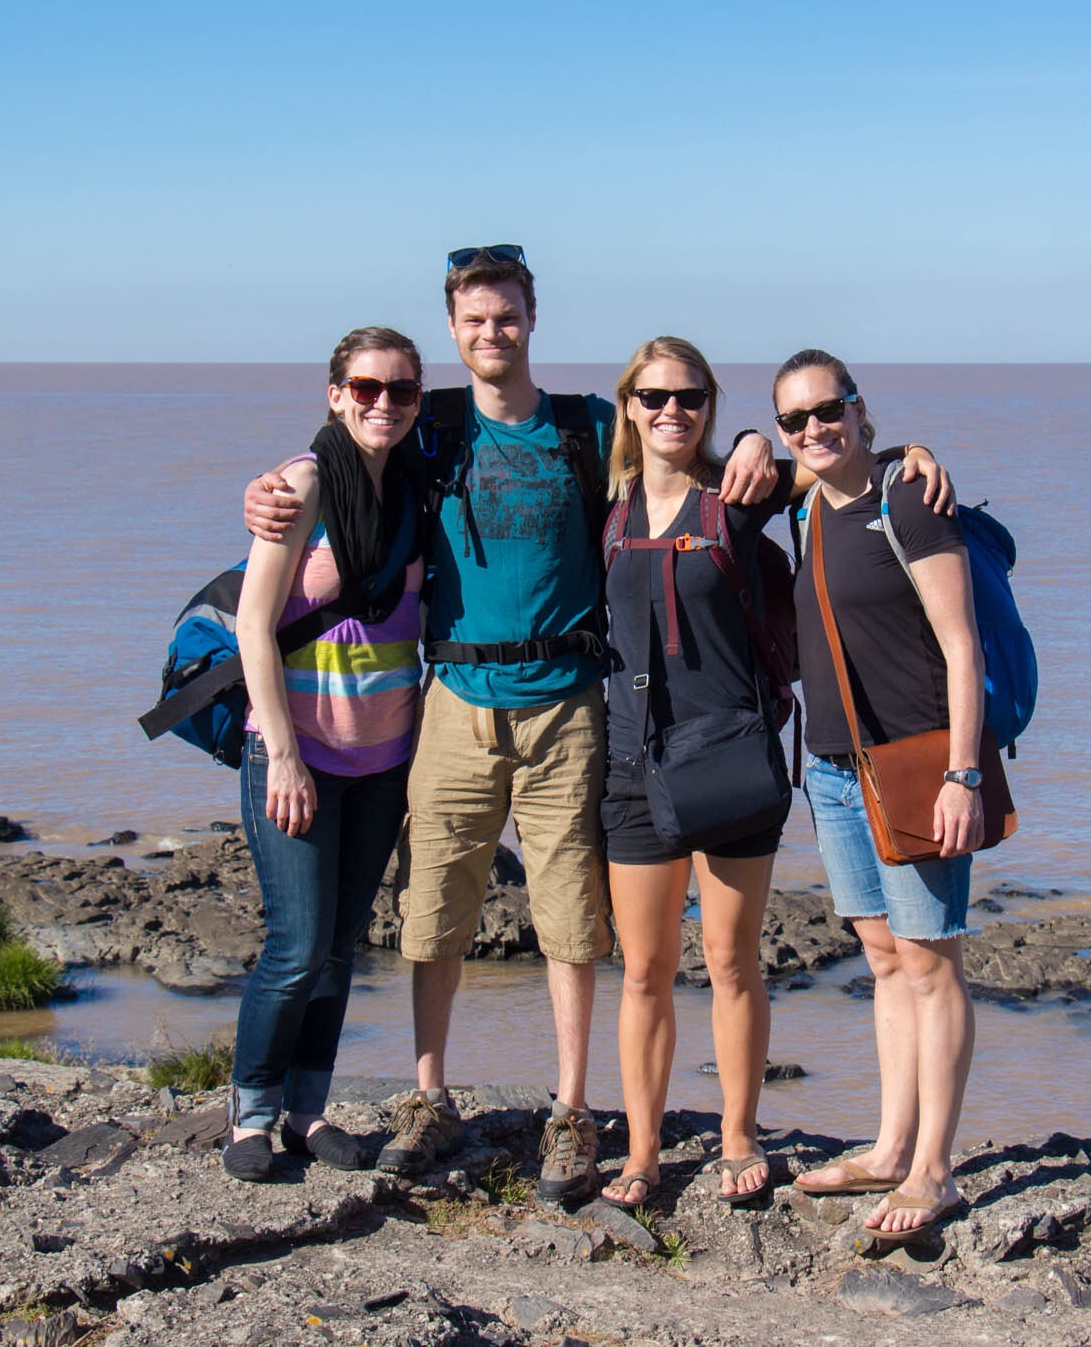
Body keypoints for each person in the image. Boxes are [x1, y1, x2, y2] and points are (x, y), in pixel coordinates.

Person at [242, 247, 783, 1203]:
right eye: (475, 320)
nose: (492, 333)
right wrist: (274, 487)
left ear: (532, 318)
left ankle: (571, 1110)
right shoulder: (431, 426)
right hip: (453, 701)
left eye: (507, 316)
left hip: (569, 704)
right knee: (432, 912)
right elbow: (349, 447)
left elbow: (680, 445)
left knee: (571, 919)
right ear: (454, 330)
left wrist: (752, 439)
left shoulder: (589, 427)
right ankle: (428, 1097)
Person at [777, 348, 989, 1242]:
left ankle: (934, 1167)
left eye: (829, 410)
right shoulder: (805, 506)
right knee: (885, 958)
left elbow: (962, 646)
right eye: (795, 419)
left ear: (860, 409)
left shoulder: (909, 502)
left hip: (917, 765)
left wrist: (963, 774)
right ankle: (891, 1144)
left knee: (932, 963)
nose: (814, 428)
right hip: (833, 770)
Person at [593, 337, 798, 1209]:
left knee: (731, 961)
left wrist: (761, 439)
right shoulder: (605, 509)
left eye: (690, 396)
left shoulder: (738, 497)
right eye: (654, 397)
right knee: (644, 970)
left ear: (710, 404)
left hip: (730, 758)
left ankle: (739, 1133)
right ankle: (642, 1151)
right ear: (629, 407)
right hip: (632, 763)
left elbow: (847, 467)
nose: (671, 410)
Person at [222, 326, 429, 1182]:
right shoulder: (301, 485)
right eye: (366, 387)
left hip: (383, 760)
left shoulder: (416, 482)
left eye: (402, 390)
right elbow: (252, 625)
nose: (384, 403)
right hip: (298, 755)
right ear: (336, 394)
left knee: (342, 943)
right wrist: (282, 755)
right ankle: (251, 1112)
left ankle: (308, 1110)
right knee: (297, 944)